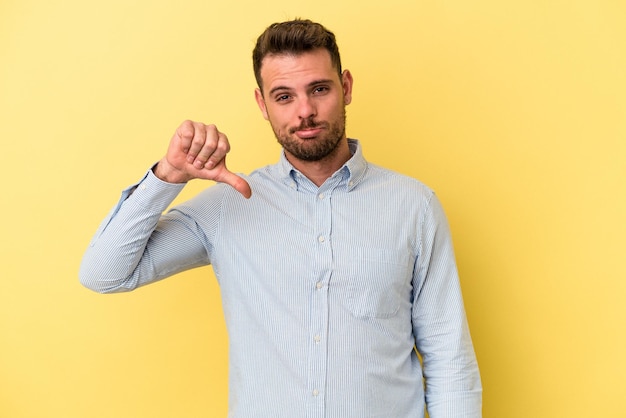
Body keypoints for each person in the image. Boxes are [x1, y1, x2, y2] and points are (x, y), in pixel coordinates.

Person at [80, 18, 482, 418]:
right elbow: (105, 272)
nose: (304, 111)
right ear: (262, 104)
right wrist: (168, 176)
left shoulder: (414, 206)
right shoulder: (228, 206)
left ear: (346, 87)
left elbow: (450, 360)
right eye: (284, 96)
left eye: (319, 89)